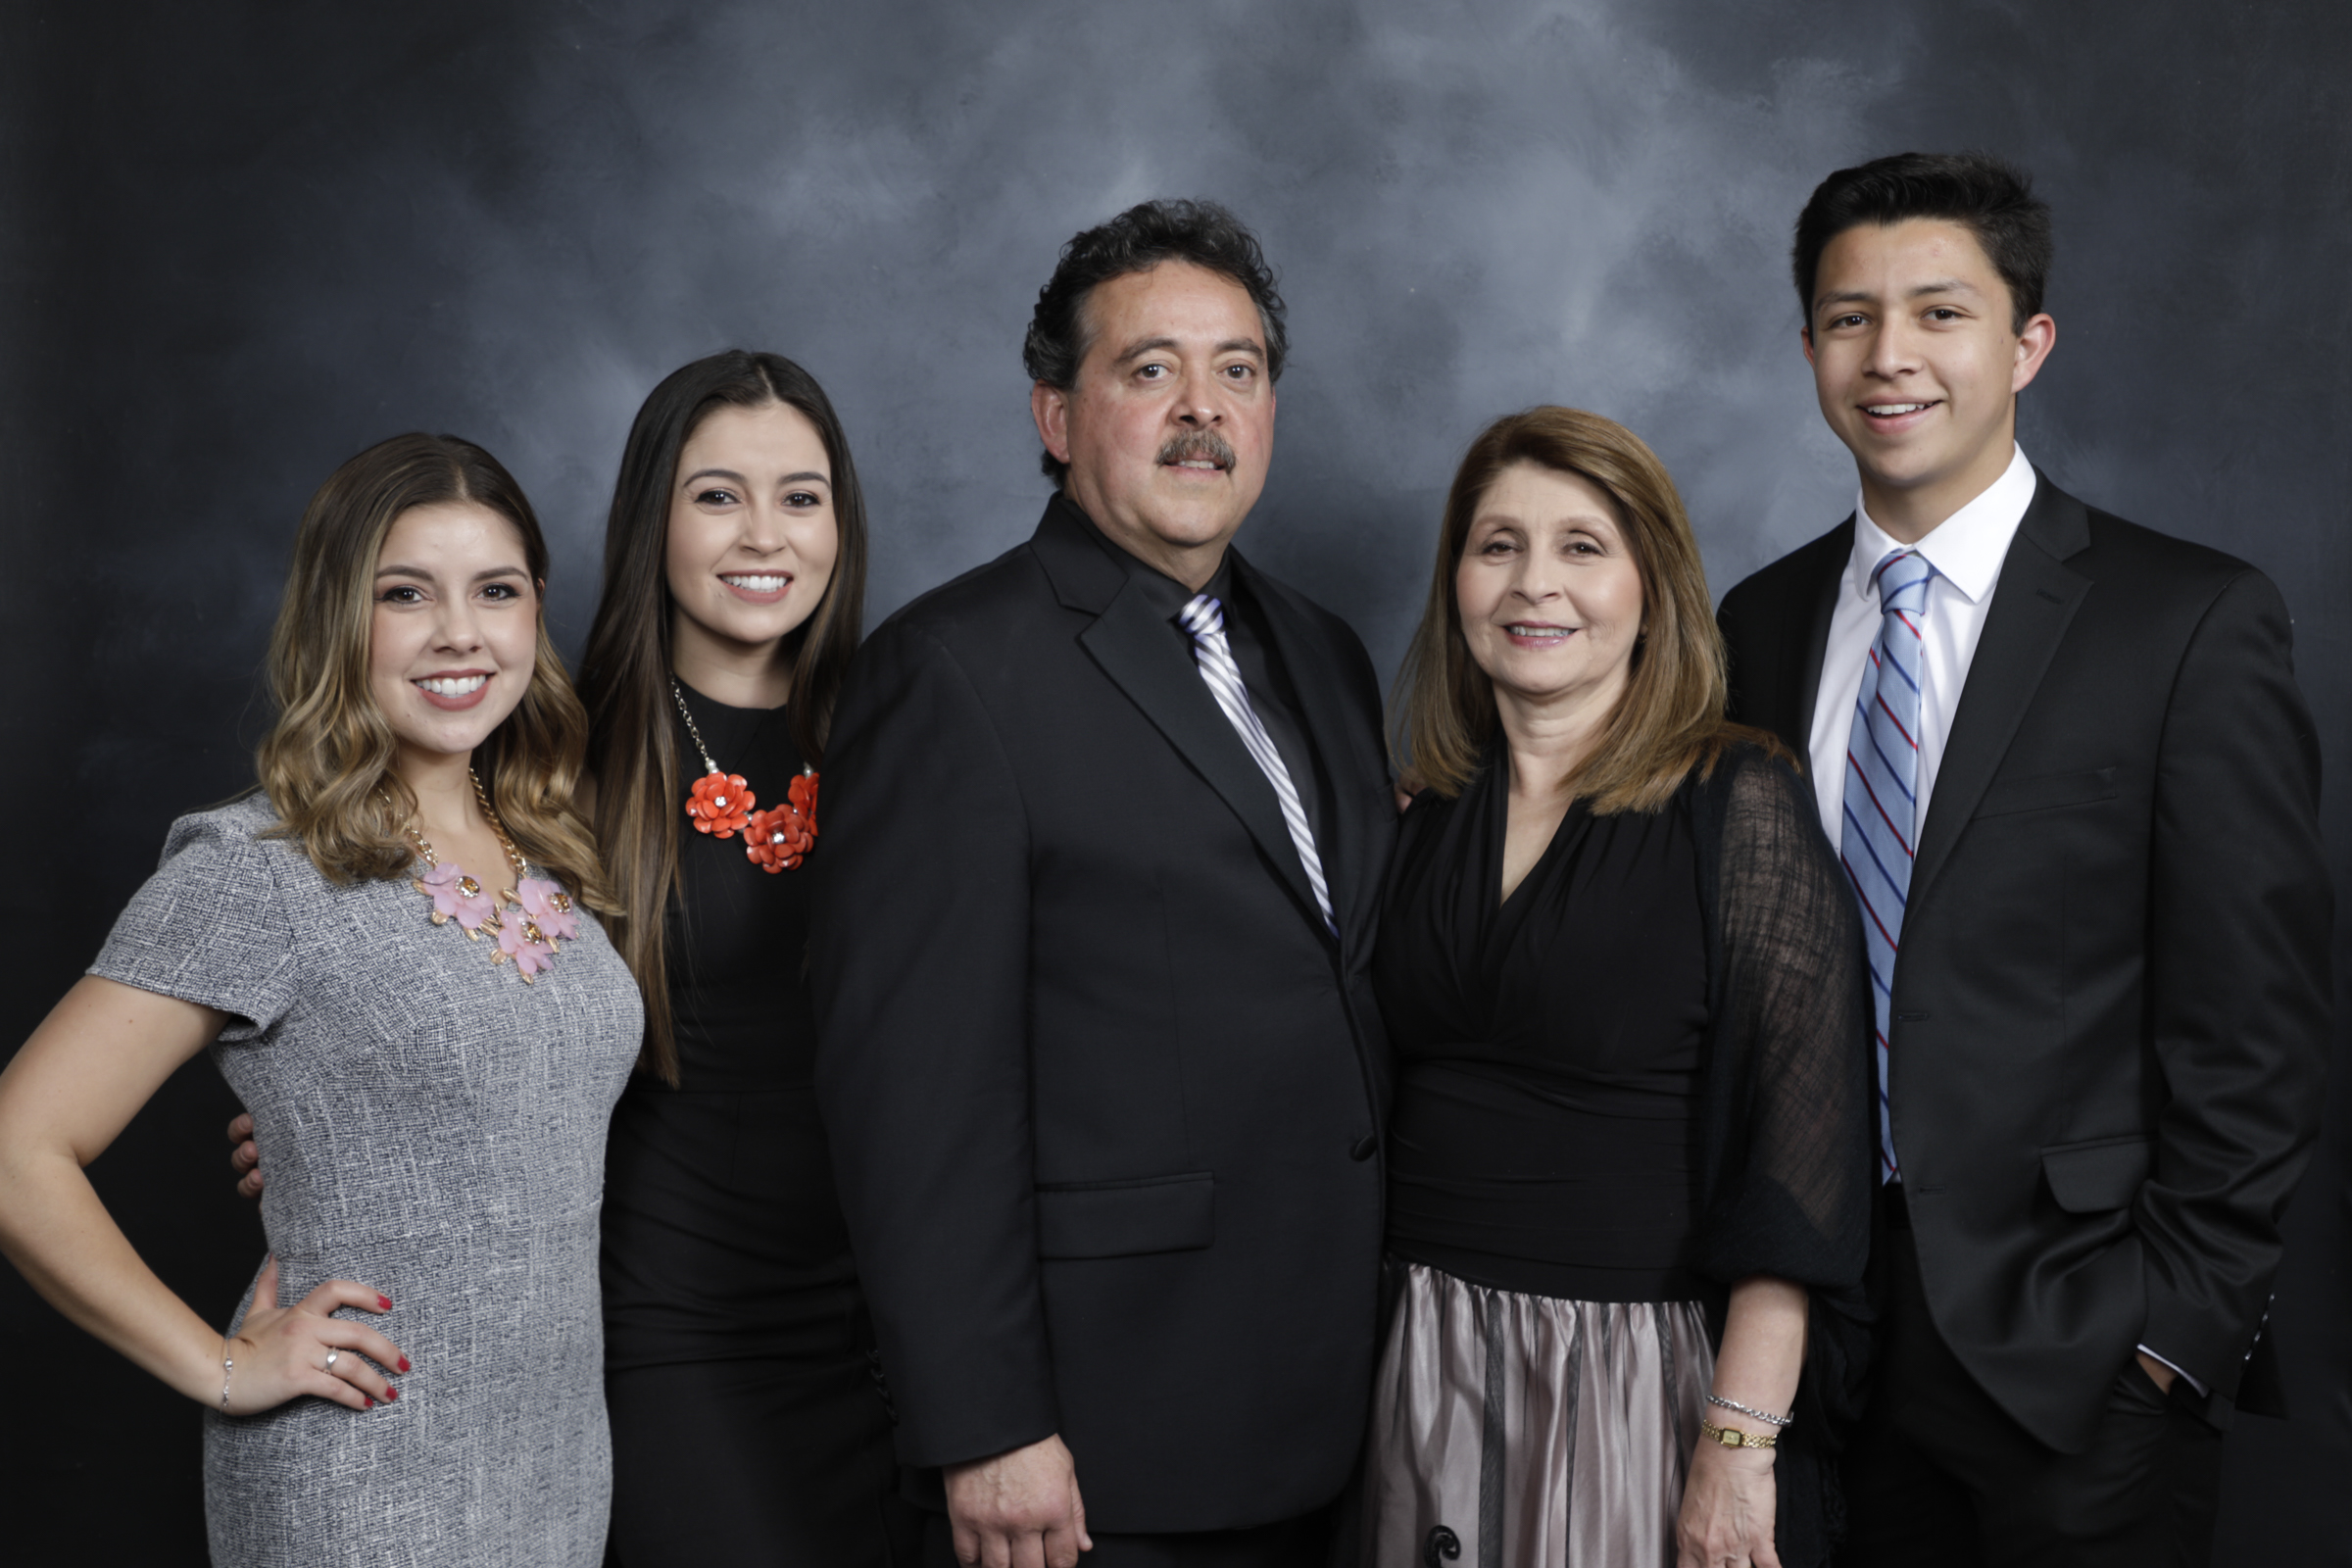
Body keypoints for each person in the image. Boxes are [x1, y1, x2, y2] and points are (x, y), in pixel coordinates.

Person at [1714, 152, 2332, 1567]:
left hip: (2082, 1354)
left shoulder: (2185, 621)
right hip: (1806, 1343)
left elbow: (2261, 1024)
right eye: (1849, 316)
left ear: (2026, 344)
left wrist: (2179, 1333)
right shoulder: (1756, 623)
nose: (1891, 358)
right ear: (1807, 345)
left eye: (1940, 313)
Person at [810, 199, 1398, 1568]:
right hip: (1098, 1441)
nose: (1204, 409)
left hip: (1338, 1400)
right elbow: (915, 1099)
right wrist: (984, 1422)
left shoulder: (1325, 652)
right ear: (1057, 418)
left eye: (1239, 370)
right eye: (1151, 370)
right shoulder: (951, 674)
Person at [0, 433, 644, 1566]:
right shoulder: (258, 868)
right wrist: (225, 1363)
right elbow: (18, 1148)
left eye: (494, 590)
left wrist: (323, 1131)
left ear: (534, 611)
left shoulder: (547, 845)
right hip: (361, 1477)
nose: (459, 632)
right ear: (337, 619)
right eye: (406, 594)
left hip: (552, 1464)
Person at [1367, 407, 1873, 1568]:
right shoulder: (1421, 814)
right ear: (1456, 577)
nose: (1533, 583)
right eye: (1497, 545)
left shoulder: (1738, 799)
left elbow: (1800, 1164)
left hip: (1630, 1376)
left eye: (1582, 547)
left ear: (1653, 584)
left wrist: (1740, 1444)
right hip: (1411, 1358)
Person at [577, 350, 914, 1565]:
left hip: (890, 1334)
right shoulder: (553, 758)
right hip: (671, 1333)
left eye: (802, 496)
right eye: (718, 494)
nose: (763, 534)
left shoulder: (912, 729)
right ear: (651, 518)